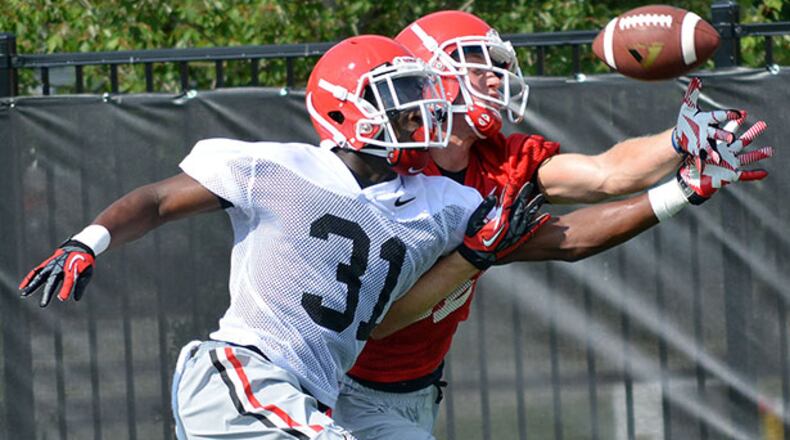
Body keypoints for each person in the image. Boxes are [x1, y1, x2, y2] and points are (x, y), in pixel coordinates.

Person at [17, 35, 550, 439]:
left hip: (310, 399)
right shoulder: (281, 168)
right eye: (401, 92)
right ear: (348, 107)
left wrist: (638, 200)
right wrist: (88, 241)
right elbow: (157, 200)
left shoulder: (436, 202)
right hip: (241, 375)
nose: (419, 107)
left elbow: (552, 238)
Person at [332, 11, 773, 440]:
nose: (495, 78)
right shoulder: (390, 173)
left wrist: (679, 143)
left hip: (418, 387)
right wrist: (471, 256)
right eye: (480, 65)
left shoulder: (495, 161)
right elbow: (379, 321)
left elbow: (606, 175)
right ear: (433, 73)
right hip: (341, 384)